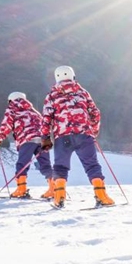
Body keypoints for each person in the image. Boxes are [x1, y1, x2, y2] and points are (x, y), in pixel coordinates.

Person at [40, 66, 113, 208]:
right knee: (92, 165)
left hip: (62, 137)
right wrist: (94, 130)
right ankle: (102, 196)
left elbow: (46, 118)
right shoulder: (82, 92)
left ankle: (59, 198)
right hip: (84, 135)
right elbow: (95, 113)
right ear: (73, 76)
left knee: (60, 167)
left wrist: (45, 137)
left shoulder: (51, 95)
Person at [0, 92, 55, 199]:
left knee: (22, 164)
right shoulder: (33, 110)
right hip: (42, 140)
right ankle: (54, 189)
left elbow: (6, 125)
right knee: (45, 164)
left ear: (11, 100)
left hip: (26, 140)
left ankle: (21, 190)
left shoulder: (12, 108)